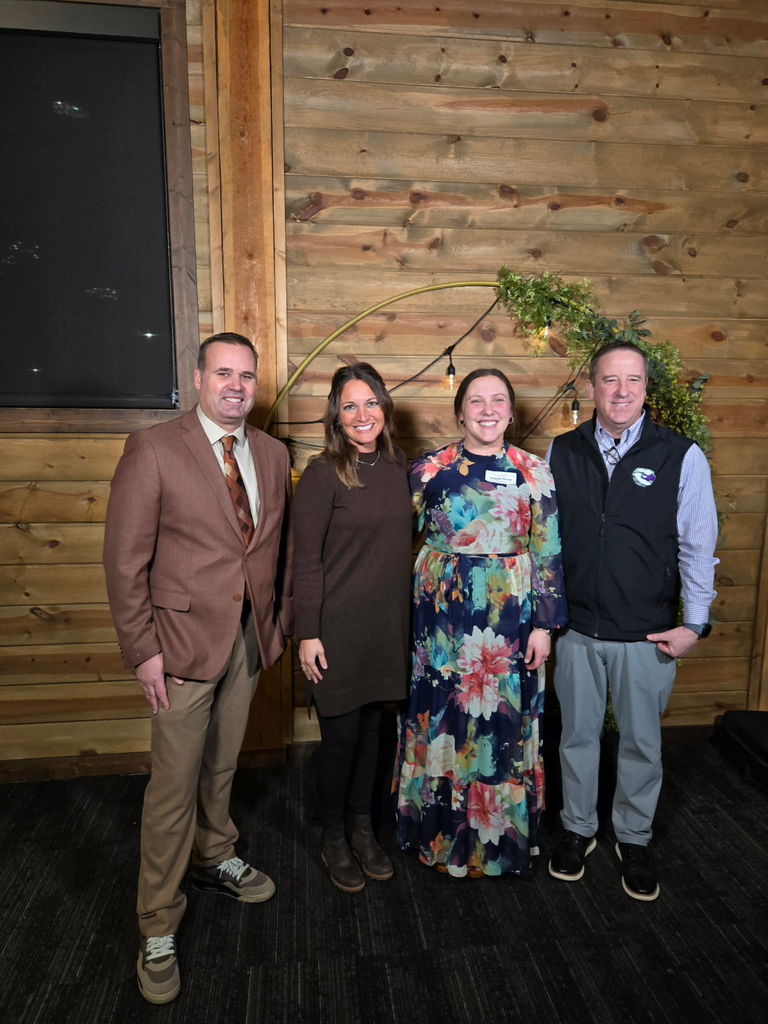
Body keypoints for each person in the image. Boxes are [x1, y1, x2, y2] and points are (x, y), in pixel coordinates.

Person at [103, 332, 293, 1003]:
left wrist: (277, 625)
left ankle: (215, 856)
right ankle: (157, 922)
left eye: (247, 375)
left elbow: (271, 552)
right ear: (198, 377)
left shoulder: (270, 454)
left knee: (221, 767)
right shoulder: (154, 450)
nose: (236, 386)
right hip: (178, 652)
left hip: (244, 644)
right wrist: (143, 650)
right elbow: (124, 562)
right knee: (171, 788)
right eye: (224, 374)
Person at [547, 340, 718, 902]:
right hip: (575, 629)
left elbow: (698, 545)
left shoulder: (680, 455)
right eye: (610, 381)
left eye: (633, 381)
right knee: (575, 738)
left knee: (642, 743)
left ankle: (634, 837)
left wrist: (694, 624)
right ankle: (577, 830)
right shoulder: (561, 452)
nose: (621, 392)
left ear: (646, 388)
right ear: (591, 387)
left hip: (646, 632)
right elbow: (541, 543)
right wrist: (546, 620)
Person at [395, 368, 568, 877]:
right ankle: (437, 836)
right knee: (443, 719)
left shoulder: (535, 471)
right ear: (460, 412)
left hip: (510, 622)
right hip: (441, 623)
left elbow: (549, 550)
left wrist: (544, 626)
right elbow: (390, 540)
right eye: (476, 401)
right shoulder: (429, 470)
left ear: (511, 412)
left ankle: (498, 843)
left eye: (498, 401)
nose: (487, 410)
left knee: (502, 726)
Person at [293, 363, 411, 893]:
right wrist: (308, 632)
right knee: (340, 741)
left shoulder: (397, 466)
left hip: (386, 628)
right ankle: (332, 833)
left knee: (375, 736)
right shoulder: (322, 474)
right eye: (349, 406)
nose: (362, 415)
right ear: (336, 418)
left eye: (370, 403)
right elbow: (306, 562)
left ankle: (364, 828)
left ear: (384, 408)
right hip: (335, 630)